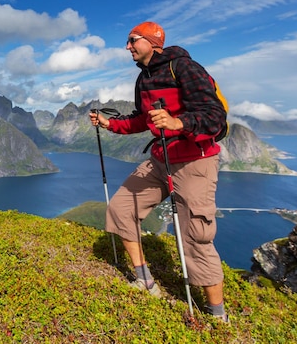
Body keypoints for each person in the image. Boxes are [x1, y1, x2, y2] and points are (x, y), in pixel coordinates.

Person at [89, 21, 228, 322]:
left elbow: (215, 117)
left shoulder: (185, 68)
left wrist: (179, 123)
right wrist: (109, 124)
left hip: (195, 160)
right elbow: (142, 120)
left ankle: (217, 316)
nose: (127, 47)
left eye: (132, 40)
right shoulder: (144, 79)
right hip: (160, 158)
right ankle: (144, 280)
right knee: (120, 208)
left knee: (196, 236)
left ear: (152, 42)